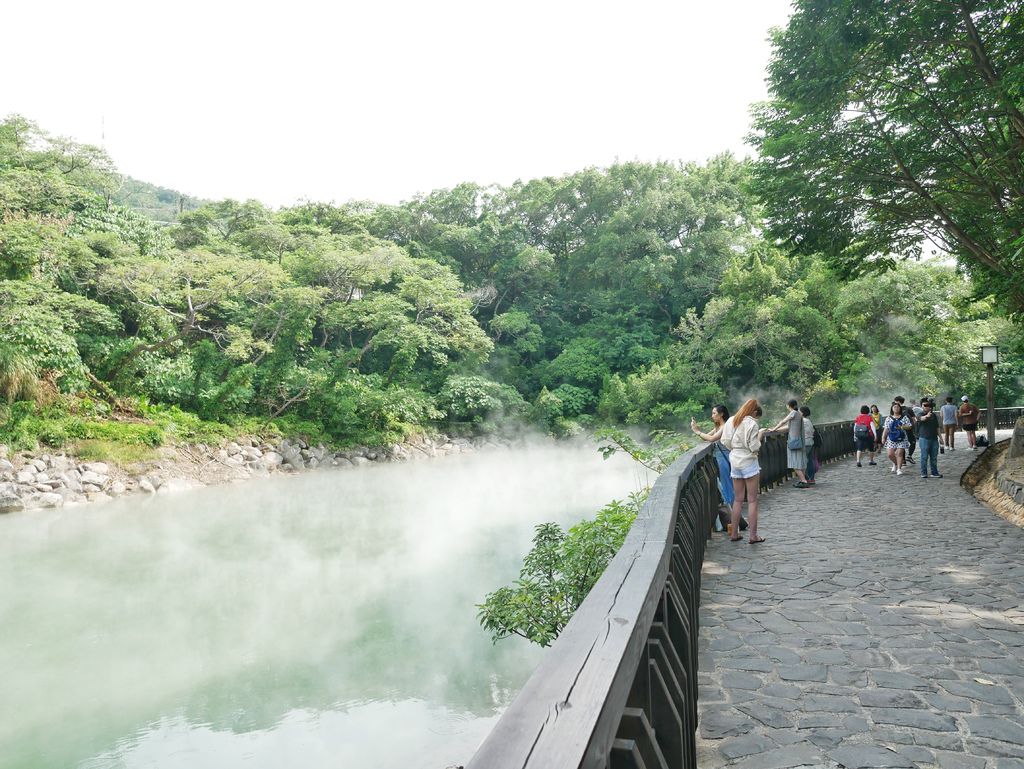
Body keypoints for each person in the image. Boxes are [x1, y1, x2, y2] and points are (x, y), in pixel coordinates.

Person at [691, 405, 747, 531]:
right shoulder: (717, 427)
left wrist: (697, 431)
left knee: (728, 488)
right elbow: (707, 438)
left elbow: (712, 438)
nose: (712, 416)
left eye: (714, 413)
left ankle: (734, 521)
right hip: (720, 460)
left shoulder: (725, 426)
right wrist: (698, 430)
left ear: (721, 414)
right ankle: (734, 519)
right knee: (726, 488)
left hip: (725, 461)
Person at [719, 398, 766, 544]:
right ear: (753, 411)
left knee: (738, 500)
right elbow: (754, 447)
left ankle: (734, 533)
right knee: (752, 500)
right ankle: (753, 536)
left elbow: (724, 441)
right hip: (749, 462)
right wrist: (760, 436)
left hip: (735, 461)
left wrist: (735, 449)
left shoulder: (731, 420)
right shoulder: (752, 423)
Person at [767, 398, 810, 488]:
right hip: (799, 441)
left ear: (788, 405)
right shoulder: (799, 414)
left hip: (794, 442)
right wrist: (777, 429)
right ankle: (803, 480)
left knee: (794, 462)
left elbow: (783, 422)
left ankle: (803, 481)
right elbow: (789, 427)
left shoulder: (793, 413)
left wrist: (774, 429)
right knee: (801, 461)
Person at [882, 402, 912, 475]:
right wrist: (883, 437)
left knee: (899, 453)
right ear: (892, 409)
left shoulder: (904, 417)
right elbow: (886, 429)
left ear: (900, 408)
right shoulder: (888, 418)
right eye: (894, 407)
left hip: (902, 438)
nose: (896, 408)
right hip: (891, 438)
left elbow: (909, 426)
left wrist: (902, 427)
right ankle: (895, 463)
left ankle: (899, 469)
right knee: (890, 454)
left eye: (898, 407)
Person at [916, 399, 942, 478]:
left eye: (929, 405)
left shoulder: (933, 415)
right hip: (924, 438)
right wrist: (927, 416)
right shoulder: (919, 413)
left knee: (934, 457)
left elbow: (937, 427)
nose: (927, 407)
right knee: (924, 456)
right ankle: (923, 473)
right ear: (922, 406)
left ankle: (934, 472)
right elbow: (921, 418)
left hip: (934, 438)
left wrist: (941, 438)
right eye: (925, 405)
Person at [799, 406, 817, 484]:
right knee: (809, 461)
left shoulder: (802, 421)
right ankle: (811, 478)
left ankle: (804, 480)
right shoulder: (808, 421)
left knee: (803, 461)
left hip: (805, 443)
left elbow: (790, 428)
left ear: (802, 413)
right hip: (810, 443)